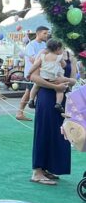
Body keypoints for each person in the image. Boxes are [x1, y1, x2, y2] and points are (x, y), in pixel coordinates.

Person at [29, 56, 71, 186]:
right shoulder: (44, 53)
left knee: (58, 134)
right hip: (47, 96)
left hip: (62, 97)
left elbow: (73, 79)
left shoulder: (70, 55)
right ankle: (37, 171)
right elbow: (34, 77)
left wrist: (65, 80)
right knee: (43, 132)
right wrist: (55, 86)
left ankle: (47, 168)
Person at [28, 39, 76, 112]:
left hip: (44, 77)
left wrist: (29, 72)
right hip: (54, 80)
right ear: (58, 49)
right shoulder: (59, 57)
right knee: (59, 91)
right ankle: (58, 103)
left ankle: (31, 99)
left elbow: (35, 65)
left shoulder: (43, 56)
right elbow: (64, 65)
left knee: (35, 86)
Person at [17, 26, 50, 121]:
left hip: (41, 72)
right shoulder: (30, 45)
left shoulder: (44, 44)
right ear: (38, 33)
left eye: (47, 33)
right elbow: (33, 60)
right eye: (44, 33)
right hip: (32, 73)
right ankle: (20, 113)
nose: (46, 35)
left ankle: (20, 112)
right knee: (30, 93)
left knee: (29, 92)